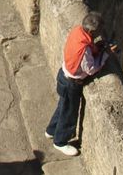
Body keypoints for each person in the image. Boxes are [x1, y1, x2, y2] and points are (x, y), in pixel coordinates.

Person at [46, 12, 115, 157]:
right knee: (69, 113)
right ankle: (60, 142)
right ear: (91, 31)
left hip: (63, 74)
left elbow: (86, 50)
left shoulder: (78, 32)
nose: (100, 33)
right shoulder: (84, 50)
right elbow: (91, 69)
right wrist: (105, 54)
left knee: (62, 106)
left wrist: (97, 47)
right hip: (72, 83)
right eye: (98, 31)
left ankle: (51, 130)